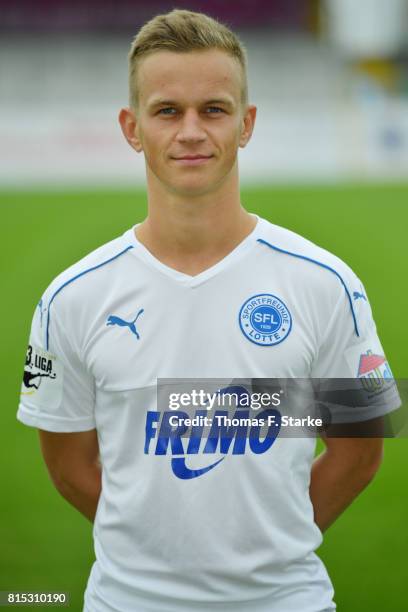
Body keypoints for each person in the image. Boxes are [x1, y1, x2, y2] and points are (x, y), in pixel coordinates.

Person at [17, 9, 400, 612]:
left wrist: (268, 555)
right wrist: (157, 560)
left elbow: (358, 450)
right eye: (167, 110)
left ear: (246, 124)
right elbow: (69, 463)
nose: (191, 131)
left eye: (214, 110)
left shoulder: (326, 283)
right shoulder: (72, 297)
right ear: (131, 126)